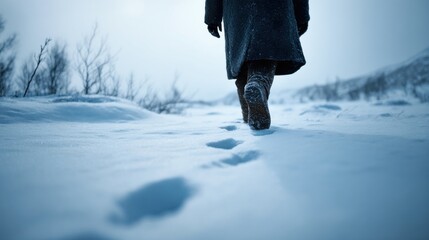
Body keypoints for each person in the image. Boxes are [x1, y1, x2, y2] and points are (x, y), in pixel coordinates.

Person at [205, 0, 310, 130]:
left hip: (236, 8)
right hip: (274, 6)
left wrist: (212, 16)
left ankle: (248, 111)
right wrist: (302, 14)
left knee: (242, 55)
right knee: (266, 50)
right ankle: (256, 85)